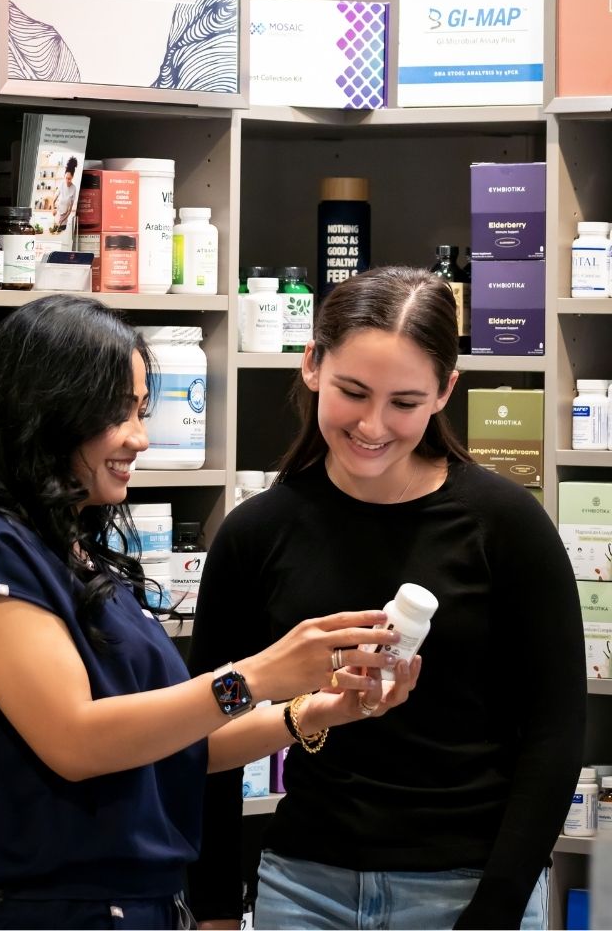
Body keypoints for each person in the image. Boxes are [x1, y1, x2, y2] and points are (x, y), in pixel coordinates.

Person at [0, 293, 419, 931]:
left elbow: (182, 740)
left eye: (141, 411)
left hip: (146, 905)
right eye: (118, 414)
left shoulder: (75, 554)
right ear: (47, 412)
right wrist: (261, 674)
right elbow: (77, 740)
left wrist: (320, 709)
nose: (140, 438)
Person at [188, 266, 586, 931]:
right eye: (353, 391)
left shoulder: (505, 525)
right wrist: (216, 910)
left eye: (404, 401)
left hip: (465, 885)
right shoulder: (256, 534)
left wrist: (496, 905)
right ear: (313, 363)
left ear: (444, 393)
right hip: (302, 888)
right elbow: (204, 732)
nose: (373, 425)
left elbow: (554, 733)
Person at [51, 155, 78, 230]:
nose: (67, 180)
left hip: (64, 219)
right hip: (57, 216)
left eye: (69, 179)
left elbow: (69, 210)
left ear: (72, 177)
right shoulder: (61, 184)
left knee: (61, 235)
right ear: (64, 176)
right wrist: (53, 209)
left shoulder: (74, 188)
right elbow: (53, 201)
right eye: (66, 178)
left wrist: (62, 220)